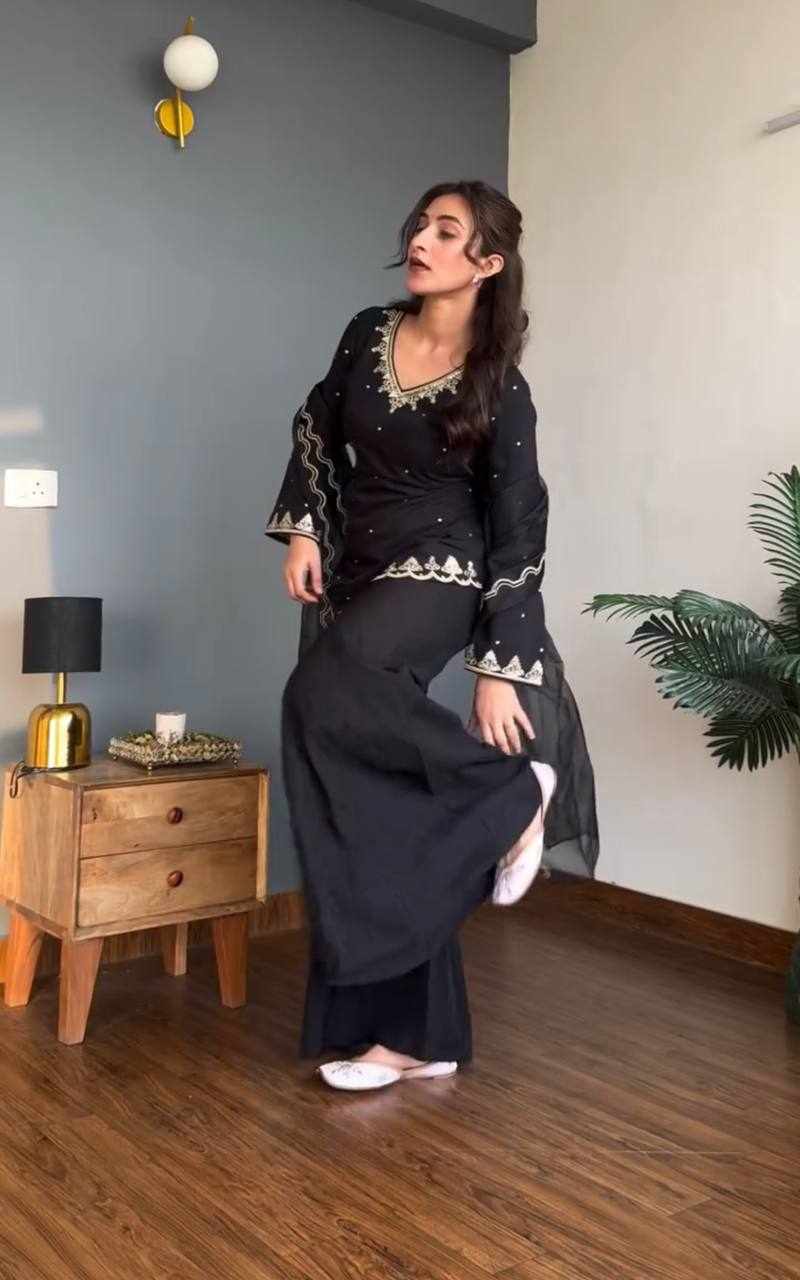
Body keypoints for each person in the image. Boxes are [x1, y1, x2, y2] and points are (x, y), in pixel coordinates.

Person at [264, 180, 599, 1092]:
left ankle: (510, 789)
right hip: (365, 570)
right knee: (372, 788)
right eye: (420, 224)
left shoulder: (501, 387)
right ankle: (415, 1034)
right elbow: (316, 423)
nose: (421, 238)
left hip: (445, 569)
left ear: (486, 262)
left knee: (316, 691)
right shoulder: (367, 333)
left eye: (446, 231)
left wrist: (498, 667)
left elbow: (518, 529)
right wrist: (306, 527)